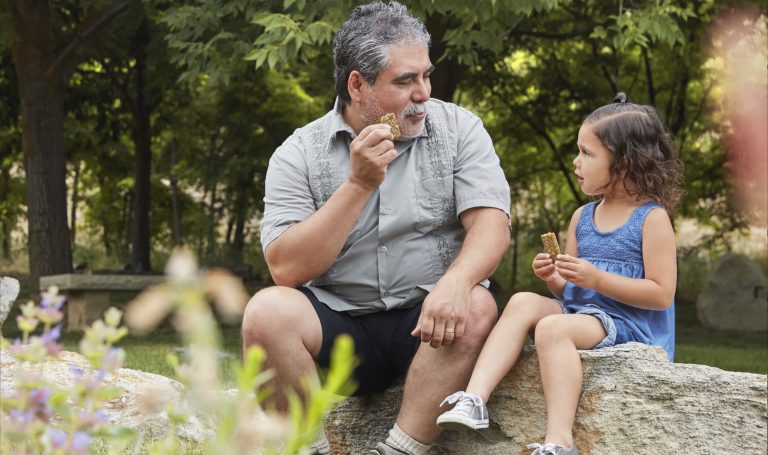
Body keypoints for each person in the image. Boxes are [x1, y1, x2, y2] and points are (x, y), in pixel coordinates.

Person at [240, 2, 511, 455]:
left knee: (477, 303)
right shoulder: (299, 153)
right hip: (340, 324)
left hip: (427, 323)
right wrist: (357, 184)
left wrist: (458, 281)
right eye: (405, 81)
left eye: (426, 75)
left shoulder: (460, 129)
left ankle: (401, 449)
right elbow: (285, 269)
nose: (423, 92)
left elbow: (492, 223)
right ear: (357, 84)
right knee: (266, 312)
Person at [435, 93, 683, 455]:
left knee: (552, 328)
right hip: (587, 316)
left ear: (626, 161)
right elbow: (571, 293)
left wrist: (596, 279)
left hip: (632, 325)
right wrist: (555, 278)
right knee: (521, 301)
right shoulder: (582, 218)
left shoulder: (651, 219)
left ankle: (559, 441)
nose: (576, 161)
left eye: (587, 153)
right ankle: (474, 399)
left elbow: (661, 293)